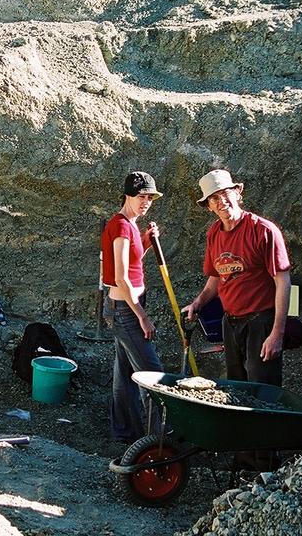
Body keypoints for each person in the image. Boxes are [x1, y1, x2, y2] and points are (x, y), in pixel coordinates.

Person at [181, 169, 292, 386]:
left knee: (263, 390)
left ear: (237, 193)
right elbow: (216, 276)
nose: (222, 201)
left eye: (225, 193)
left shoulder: (263, 231)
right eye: (214, 198)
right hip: (230, 322)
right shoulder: (214, 234)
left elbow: (283, 280)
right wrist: (199, 302)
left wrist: (277, 332)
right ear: (209, 206)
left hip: (261, 322)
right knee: (237, 387)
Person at [102, 171, 165, 444]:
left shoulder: (129, 225)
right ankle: (159, 438)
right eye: (141, 196)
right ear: (128, 195)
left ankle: (125, 432)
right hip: (126, 310)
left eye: (150, 197)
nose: (146, 202)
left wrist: (148, 240)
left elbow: (132, 262)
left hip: (124, 306)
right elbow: (120, 277)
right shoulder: (122, 226)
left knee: (125, 374)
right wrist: (143, 316)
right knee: (152, 375)